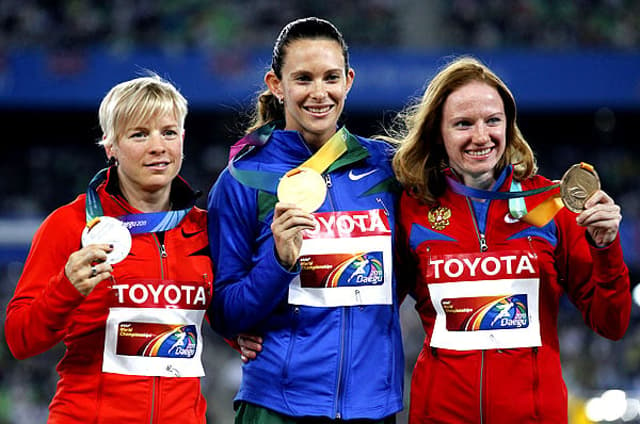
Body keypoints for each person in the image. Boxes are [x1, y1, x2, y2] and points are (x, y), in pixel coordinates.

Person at [388, 56, 631, 423]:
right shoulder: (413, 206)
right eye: (463, 124)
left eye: (493, 121)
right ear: (439, 131)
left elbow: (611, 323)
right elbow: (373, 305)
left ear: (509, 125)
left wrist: (605, 247)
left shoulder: (550, 204)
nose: (481, 136)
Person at [207, 17, 404, 423]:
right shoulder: (243, 179)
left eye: (331, 77)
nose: (319, 93)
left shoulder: (387, 169)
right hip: (278, 406)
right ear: (276, 84)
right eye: (303, 78)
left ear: (349, 80)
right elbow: (225, 312)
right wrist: (277, 262)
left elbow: (410, 268)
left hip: (373, 406)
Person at [4, 75, 214, 423]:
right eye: (139, 134)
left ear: (183, 139)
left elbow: (233, 314)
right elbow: (20, 339)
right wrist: (66, 287)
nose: (158, 146)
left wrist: (245, 336)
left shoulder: (204, 228)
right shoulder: (71, 225)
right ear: (110, 147)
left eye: (169, 132)